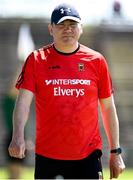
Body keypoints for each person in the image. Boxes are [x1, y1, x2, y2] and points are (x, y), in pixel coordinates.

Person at [8, 3, 125, 179]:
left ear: (81, 28)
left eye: (72, 25)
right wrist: (17, 135)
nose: (67, 30)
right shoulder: (36, 60)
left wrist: (116, 152)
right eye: (61, 25)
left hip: (88, 155)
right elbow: (23, 101)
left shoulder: (97, 61)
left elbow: (108, 107)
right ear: (50, 29)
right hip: (48, 156)